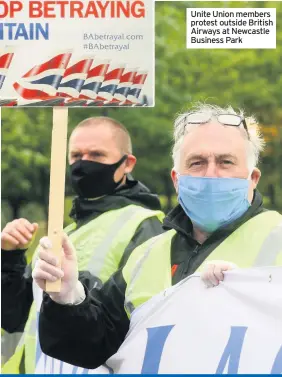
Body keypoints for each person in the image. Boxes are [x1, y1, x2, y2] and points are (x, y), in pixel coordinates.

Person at [34, 103, 282, 369]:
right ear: (176, 179)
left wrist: (254, 295)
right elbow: (91, 346)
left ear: (252, 178)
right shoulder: (146, 255)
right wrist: (69, 297)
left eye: (226, 162)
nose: (211, 174)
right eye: (196, 163)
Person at [1, 116, 165, 373]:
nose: (83, 163)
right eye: (76, 155)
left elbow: (142, 322)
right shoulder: (66, 230)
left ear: (127, 164)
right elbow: (15, 315)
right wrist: (9, 257)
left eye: (97, 155)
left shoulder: (145, 226)